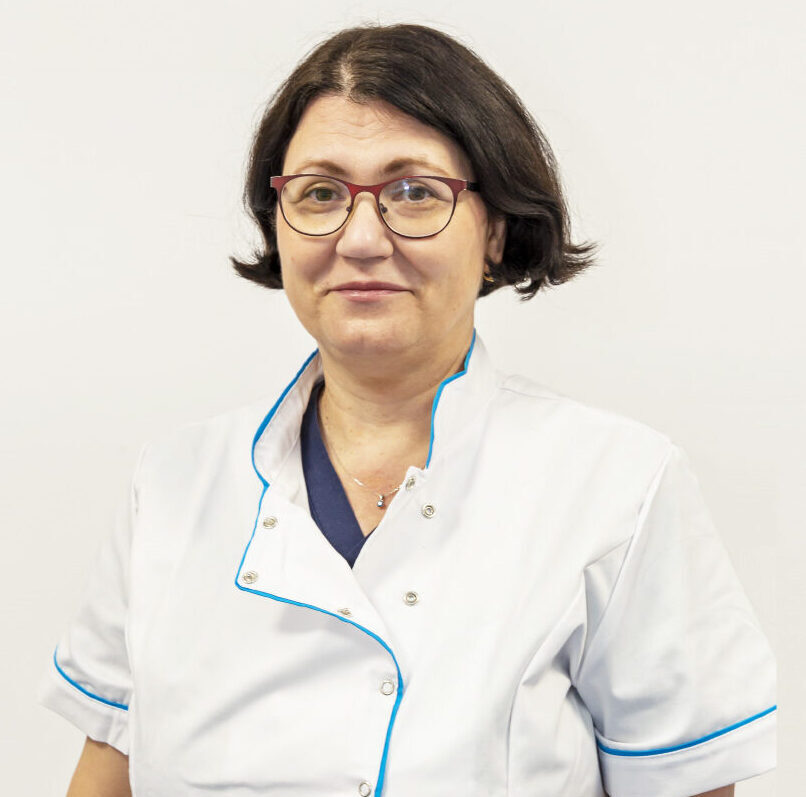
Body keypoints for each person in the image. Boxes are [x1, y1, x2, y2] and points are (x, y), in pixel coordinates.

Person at [38, 23, 776, 797]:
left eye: (414, 192)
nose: (360, 238)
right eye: (320, 193)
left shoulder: (617, 485)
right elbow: (105, 778)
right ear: (278, 223)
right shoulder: (171, 484)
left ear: (495, 230)